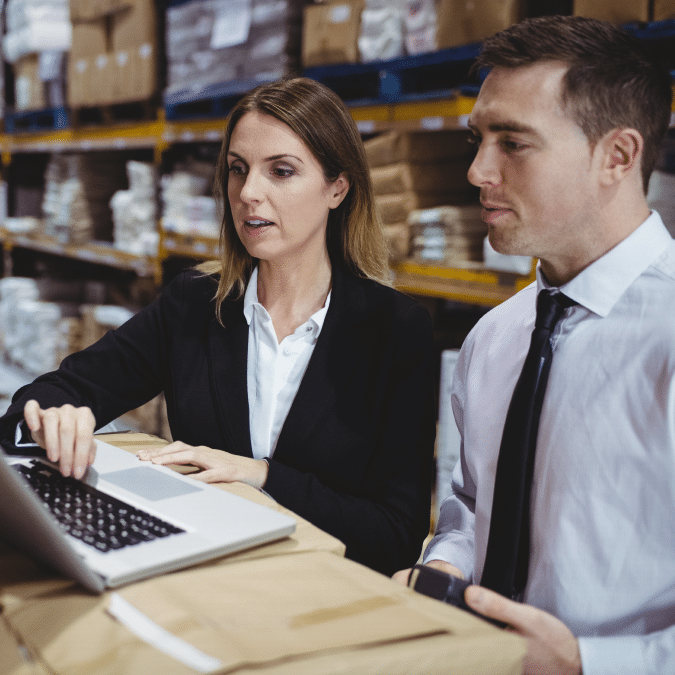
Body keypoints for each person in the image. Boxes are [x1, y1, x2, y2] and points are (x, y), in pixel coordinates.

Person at [0, 77, 436, 577]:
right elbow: (52, 393)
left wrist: (261, 477)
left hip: (322, 594)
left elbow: (396, 536)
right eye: (238, 170)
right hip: (206, 577)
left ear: (337, 187)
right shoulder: (195, 305)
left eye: (281, 171)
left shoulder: (394, 330)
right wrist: (53, 418)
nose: (249, 193)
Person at [393, 15, 675, 674]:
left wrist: (589, 661)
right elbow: (468, 504)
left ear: (617, 155)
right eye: (477, 139)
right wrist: (443, 569)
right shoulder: (496, 335)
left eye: (512, 143)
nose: (475, 170)